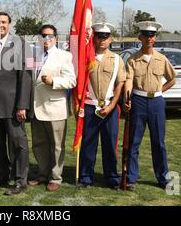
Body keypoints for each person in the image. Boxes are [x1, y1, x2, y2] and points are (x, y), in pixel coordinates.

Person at [0, 12, 32, 195]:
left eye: (3, 22)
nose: (0, 25)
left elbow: (25, 76)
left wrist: (22, 105)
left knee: (18, 143)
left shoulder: (20, 45)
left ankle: (20, 181)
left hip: (12, 105)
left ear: (9, 24)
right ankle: (2, 176)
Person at [123, 21, 176, 191]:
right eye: (145, 35)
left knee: (158, 142)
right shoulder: (132, 59)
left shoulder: (162, 59)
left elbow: (172, 79)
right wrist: (127, 97)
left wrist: (160, 90)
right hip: (138, 101)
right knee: (134, 142)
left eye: (151, 35)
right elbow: (129, 80)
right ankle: (131, 178)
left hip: (157, 103)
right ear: (140, 37)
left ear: (155, 38)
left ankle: (163, 178)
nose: (148, 38)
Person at [78, 22, 126, 189]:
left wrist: (113, 105)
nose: (102, 41)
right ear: (94, 38)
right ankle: (86, 177)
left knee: (110, 144)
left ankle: (112, 178)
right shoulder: (85, 58)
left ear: (110, 39)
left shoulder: (117, 59)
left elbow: (120, 84)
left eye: (106, 37)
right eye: (99, 37)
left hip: (109, 108)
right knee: (88, 145)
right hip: (90, 107)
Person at [29, 25, 76, 191]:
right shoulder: (33, 55)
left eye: (49, 36)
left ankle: (56, 177)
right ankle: (42, 174)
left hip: (55, 107)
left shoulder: (64, 56)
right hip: (36, 107)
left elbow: (71, 80)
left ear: (55, 38)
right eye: (43, 35)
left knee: (57, 145)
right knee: (39, 144)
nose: (46, 39)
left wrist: (54, 81)